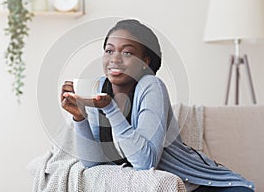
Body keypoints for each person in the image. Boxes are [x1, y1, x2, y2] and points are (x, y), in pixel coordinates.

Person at [60, 19, 254, 192]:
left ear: (146, 62)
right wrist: (79, 117)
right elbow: (93, 163)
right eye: (109, 50)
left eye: (127, 52)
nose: (115, 58)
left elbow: (145, 163)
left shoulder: (151, 85)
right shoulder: (98, 89)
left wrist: (110, 109)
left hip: (201, 186)